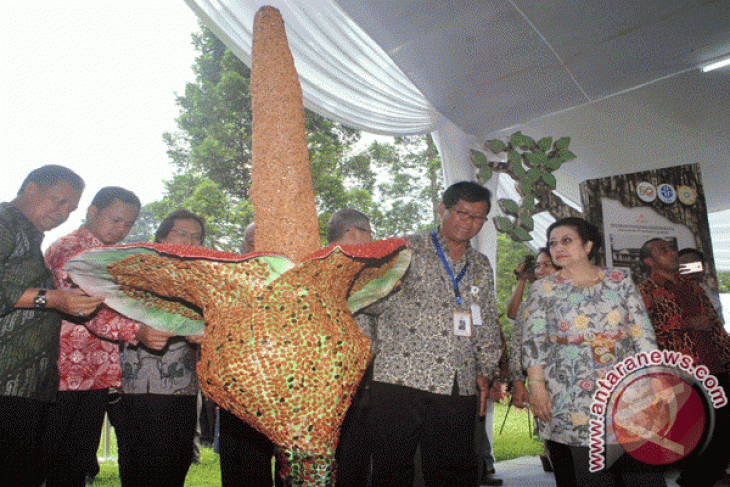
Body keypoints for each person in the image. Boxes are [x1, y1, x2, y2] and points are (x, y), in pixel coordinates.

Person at [363, 181, 502, 487]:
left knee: (453, 469)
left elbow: (487, 319)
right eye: (461, 213)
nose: (468, 222)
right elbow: (364, 304)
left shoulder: (480, 264)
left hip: (457, 380)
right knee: (391, 467)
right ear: (443, 209)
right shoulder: (404, 250)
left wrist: (486, 369)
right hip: (399, 376)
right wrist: (385, 292)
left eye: (477, 217)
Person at [43, 186, 175, 487]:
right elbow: (86, 307)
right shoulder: (70, 250)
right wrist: (137, 331)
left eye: (128, 224)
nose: (122, 229)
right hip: (65, 376)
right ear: (92, 212)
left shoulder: (111, 255)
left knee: (75, 464)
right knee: (55, 466)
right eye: (116, 220)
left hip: (95, 376)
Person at [522, 217, 664, 487]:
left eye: (567, 240)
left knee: (642, 473)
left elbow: (642, 332)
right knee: (592, 476)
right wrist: (537, 387)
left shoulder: (619, 279)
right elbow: (533, 340)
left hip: (626, 390)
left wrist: (653, 380)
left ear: (588, 246)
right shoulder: (543, 288)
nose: (557, 248)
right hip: (569, 390)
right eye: (552, 243)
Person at [0, 165, 104, 487]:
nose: (62, 214)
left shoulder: (29, 237)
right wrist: (54, 300)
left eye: (70, 209)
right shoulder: (5, 224)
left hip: (26, 385)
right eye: (58, 201)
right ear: (31, 188)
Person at [115, 209, 206, 487]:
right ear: (163, 235)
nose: (190, 241)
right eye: (182, 233)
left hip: (183, 388)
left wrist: (206, 333)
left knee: (176, 463)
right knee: (140, 467)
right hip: (139, 389)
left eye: (196, 237)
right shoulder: (136, 272)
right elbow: (108, 314)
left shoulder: (202, 280)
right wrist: (138, 331)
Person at [639, 238, 730, 487]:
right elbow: (643, 332)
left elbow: (716, 326)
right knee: (696, 431)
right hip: (682, 372)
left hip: (714, 366)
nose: (672, 252)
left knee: (722, 429)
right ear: (649, 261)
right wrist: (686, 324)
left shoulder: (694, 288)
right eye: (663, 250)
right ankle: (696, 478)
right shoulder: (644, 291)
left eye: (671, 248)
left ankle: (704, 476)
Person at [219, 219, 284, 487]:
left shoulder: (295, 278)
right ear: (244, 247)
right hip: (239, 390)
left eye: (266, 244)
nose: (259, 250)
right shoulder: (227, 278)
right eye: (252, 243)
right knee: (243, 468)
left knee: (289, 467)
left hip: (285, 390)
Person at [326, 209, 375, 487]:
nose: (372, 238)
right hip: (332, 381)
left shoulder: (364, 267)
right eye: (369, 232)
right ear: (353, 233)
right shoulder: (328, 266)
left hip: (359, 382)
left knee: (353, 459)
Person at [677, 247, 725, 324]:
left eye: (695, 265)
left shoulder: (709, 291)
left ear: (703, 267)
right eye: (685, 265)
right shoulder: (667, 294)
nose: (691, 270)